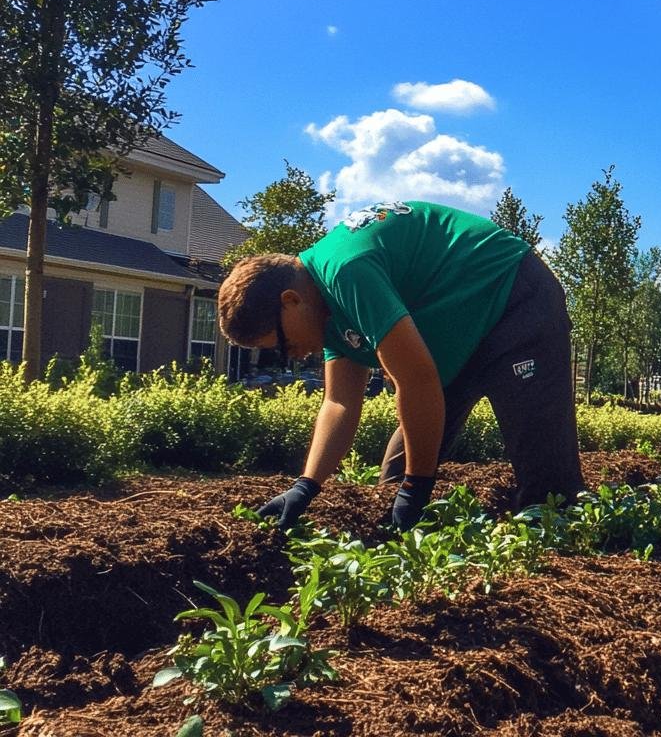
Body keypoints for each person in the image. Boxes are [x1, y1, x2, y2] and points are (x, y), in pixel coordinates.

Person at [218, 200, 586, 531]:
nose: (292, 355)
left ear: (291, 301)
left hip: (513, 298)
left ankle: (564, 562)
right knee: (396, 479)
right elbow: (340, 403)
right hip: (454, 332)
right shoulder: (323, 310)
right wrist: (306, 485)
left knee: (549, 490)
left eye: (282, 344)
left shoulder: (348, 271)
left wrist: (419, 485)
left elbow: (417, 380)